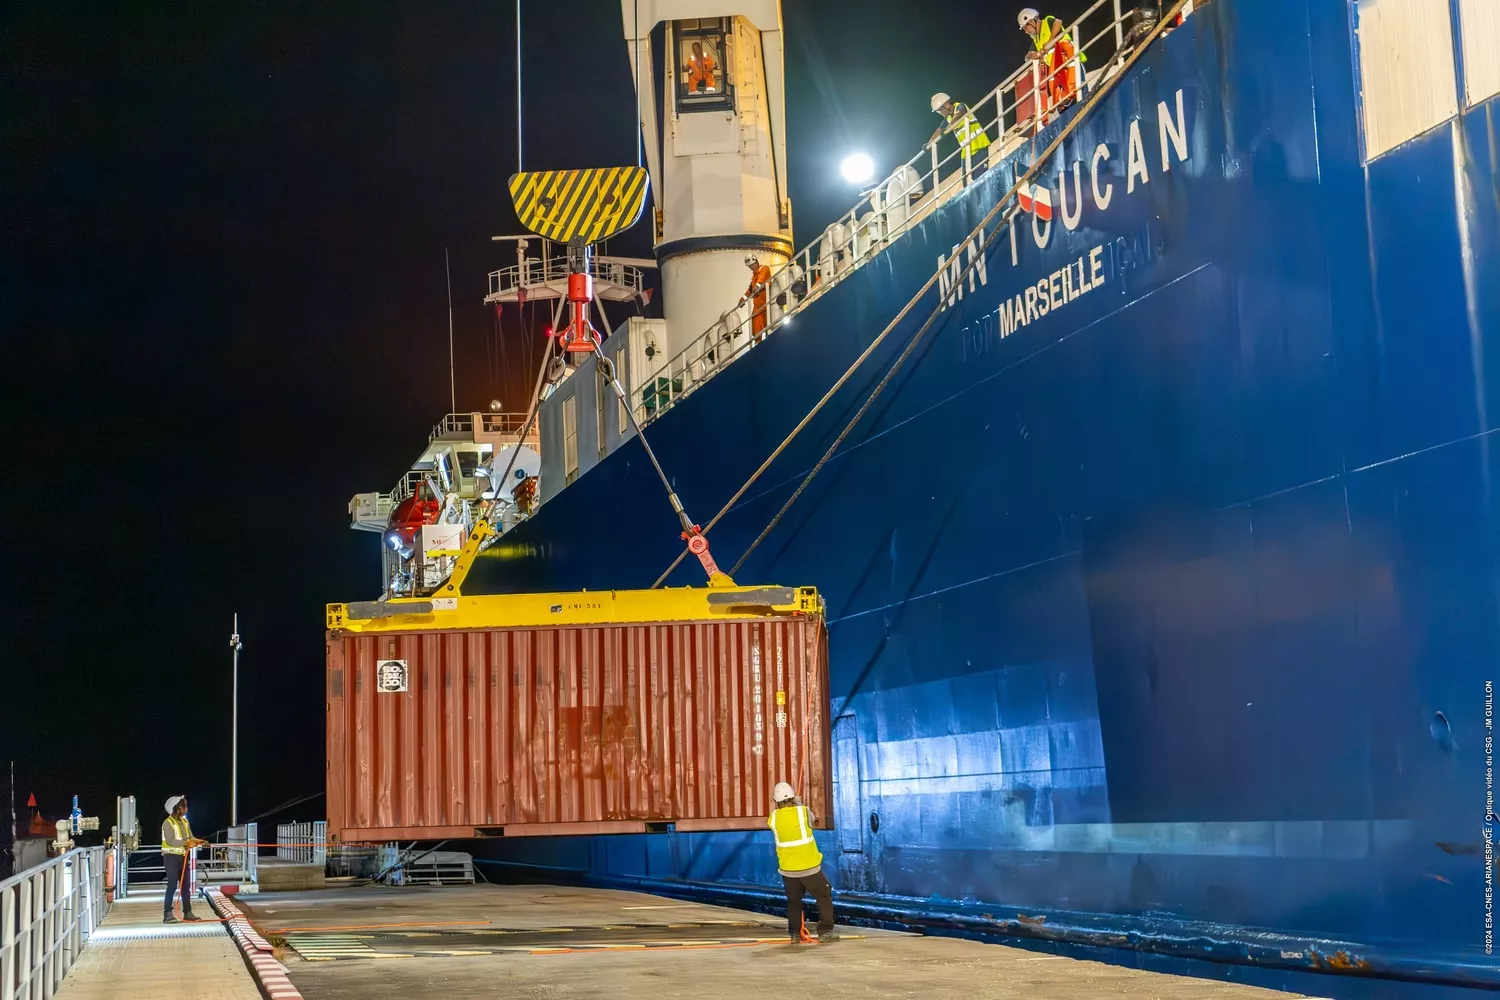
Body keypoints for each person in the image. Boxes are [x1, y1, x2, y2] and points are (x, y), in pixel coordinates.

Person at [768, 782, 837, 943]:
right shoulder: (804, 812)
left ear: (776, 801)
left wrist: (795, 806)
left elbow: (785, 823)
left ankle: (794, 934)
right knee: (824, 896)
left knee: (794, 902)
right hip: (809, 868)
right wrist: (799, 805)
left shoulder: (773, 818)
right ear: (793, 797)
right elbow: (811, 822)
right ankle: (825, 932)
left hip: (788, 870)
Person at [1018, 8, 1085, 117]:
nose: (1026, 31)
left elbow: (1058, 23)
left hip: (1070, 64)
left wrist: (1050, 41)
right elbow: (1028, 56)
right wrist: (1032, 55)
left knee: (1080, 95)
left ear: (1031, 21)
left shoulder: (1047, 22)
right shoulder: (1036, 40)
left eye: (1026, 27)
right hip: (1058, 74)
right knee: (1063, 105)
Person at [162, 794, 207, 923]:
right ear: (177, 808)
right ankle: (167, 914)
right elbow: (171, 841)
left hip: (183, 857)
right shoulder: (167, 823)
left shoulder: (185, 822)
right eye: (184, 806)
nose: (186, 808)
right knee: (171, 884)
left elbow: (190, 837)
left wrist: (201, 841)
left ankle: (188, 912)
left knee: (185, 885)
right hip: (171, 858)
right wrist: (186, 843)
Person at [929, 93, 992, 184]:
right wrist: (929, 143)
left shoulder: (960, 106)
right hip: (966, 152)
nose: (940, 113)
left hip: (979, 146)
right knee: (966, 183)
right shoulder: (948, 118)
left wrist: (949, 127)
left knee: (981, 178)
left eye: (939, 110)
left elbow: (959, 114)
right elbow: (939, 130)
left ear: (946, 104)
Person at [740, 256, 773, 341]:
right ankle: (758, 343)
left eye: (752, 264)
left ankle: (770, 341)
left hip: (767, 302)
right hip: (758, 305)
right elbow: (750, 289)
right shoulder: (754, 276)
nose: (751, 267)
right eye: (749, 266)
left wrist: (757, 286)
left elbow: (761, 278)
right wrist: (743, 299)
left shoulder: (764, 268)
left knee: (769, 326)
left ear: (756, 261)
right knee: (756, 325)